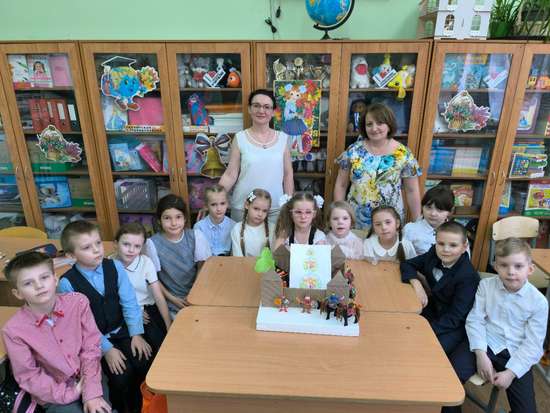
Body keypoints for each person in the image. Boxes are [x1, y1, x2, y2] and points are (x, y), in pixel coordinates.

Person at [58, 220, 151, 413]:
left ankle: (145, 406)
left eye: (98, 243)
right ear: (71, 255)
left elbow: (129, 302)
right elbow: (80, 326)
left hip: (122, 329)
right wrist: (107, 350)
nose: (96, 250)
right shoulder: (67, 283)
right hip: (94, 340)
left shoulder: (115, 266)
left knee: (144, 361)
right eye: (86, 247)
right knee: (121, 376)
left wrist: (136, 334)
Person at [2, 251, 112, 413]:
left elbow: (91, 347)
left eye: (44, 277)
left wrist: (91, 392)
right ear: (17, 293)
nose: (39, 286)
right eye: (28, 283)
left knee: (100, 409)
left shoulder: (78, 302)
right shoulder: (13, 330)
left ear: (55, 279)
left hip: (89, 376)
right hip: (52, 391)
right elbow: (29, 376)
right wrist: (69, 393)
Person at [400, 221, 480, 403]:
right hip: (432, 312)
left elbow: (456, 317)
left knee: (427, 354)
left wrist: (426, 332)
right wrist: (416, 283)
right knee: (402, 334)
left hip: (454, 327)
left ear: (464, 247)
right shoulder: (432, 254)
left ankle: (429, 397)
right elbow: (407, 264)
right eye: (441, 243)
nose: (445, 249)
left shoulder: (468, 277)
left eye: (453, 245)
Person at [466, 238, 548, 413]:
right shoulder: (486, 285)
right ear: (496, 266)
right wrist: (481, 354)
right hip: (485, 343)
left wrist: (511, 373)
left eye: (518, 266)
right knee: (452, 375)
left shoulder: (539, 302)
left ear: (530, 269)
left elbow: (533, 344)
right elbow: (475, 320)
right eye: (504, 265)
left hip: (516, 353)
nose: (511, 272)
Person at [333, 102, 422, 230]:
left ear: (389, 125)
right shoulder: (353, 151)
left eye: (380, 123)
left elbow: (412, 190)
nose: (374, 128)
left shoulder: (403, 154)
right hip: (357, 221)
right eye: (369, 124)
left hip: (389, 224)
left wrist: (417, 224)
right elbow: (341, 185)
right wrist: (339, 215)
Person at [219, 89, 294, 224]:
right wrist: (214, 198)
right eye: (256, 105)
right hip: (244, 208)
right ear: (249, 109)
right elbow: (230, 174)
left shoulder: (283, 139)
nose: (261, 110)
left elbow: (288, 174)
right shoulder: (240, 138)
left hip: (275, 208)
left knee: (274, 239)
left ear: (273, 112)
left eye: (267, 107)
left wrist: (289, 203)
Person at [144, 194, 211, 319]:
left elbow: (202, 269)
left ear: (185, 218)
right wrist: (173, 299)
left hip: (197, 294)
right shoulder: (152, 244)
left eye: (178, 217)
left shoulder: (196, 236)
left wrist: (193, 295)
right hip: (170, 301)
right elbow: (153, 280)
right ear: (159, 220)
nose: (173, 223)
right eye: (167, 218)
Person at [113, 222, 171, 353]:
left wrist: (169, 325)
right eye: (126, 244)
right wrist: (135, 312)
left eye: (137, 246)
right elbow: (109, 297)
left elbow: (158, 296)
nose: (131, 250)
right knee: (135, 351)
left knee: (160, 344)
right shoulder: (109, 265)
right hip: (122, 311)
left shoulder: (146, 262)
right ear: (115, 244)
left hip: (147, 309)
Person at [403, 185, 455, 255]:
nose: (433, 214)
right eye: (429, 207)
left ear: (450, 211)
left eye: (439, 210)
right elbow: (402, 256)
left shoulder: (457, 233)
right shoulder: (410, 229)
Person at [194, 184, 235, 256]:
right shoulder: (199, 227)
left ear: (227, 204)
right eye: (213, 204)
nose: (219, 209)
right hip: (206, 260)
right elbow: (199, 254)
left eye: (222, 203)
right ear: (206, 206)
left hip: (228, 260)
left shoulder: (234, 226)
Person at [231, 188, 274, 257]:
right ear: (247, 205)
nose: (260, 214)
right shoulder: (237, 229)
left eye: (264, 211)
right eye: (256, 209)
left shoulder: (273, 229)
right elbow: (238, 258)